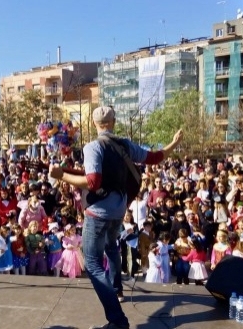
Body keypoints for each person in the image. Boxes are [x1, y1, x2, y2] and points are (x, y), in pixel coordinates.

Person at [49, 106, 183, 329]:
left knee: (92, 263)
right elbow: (156, 157)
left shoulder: (93, 146)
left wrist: (62, 175)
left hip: (98, 212)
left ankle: (117, 319)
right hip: (119, 210)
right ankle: (117, 287)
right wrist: (174, 143)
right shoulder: (125, 145)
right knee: (111, 246)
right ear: (113, 122)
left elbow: (93, 183)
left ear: (94, 124)